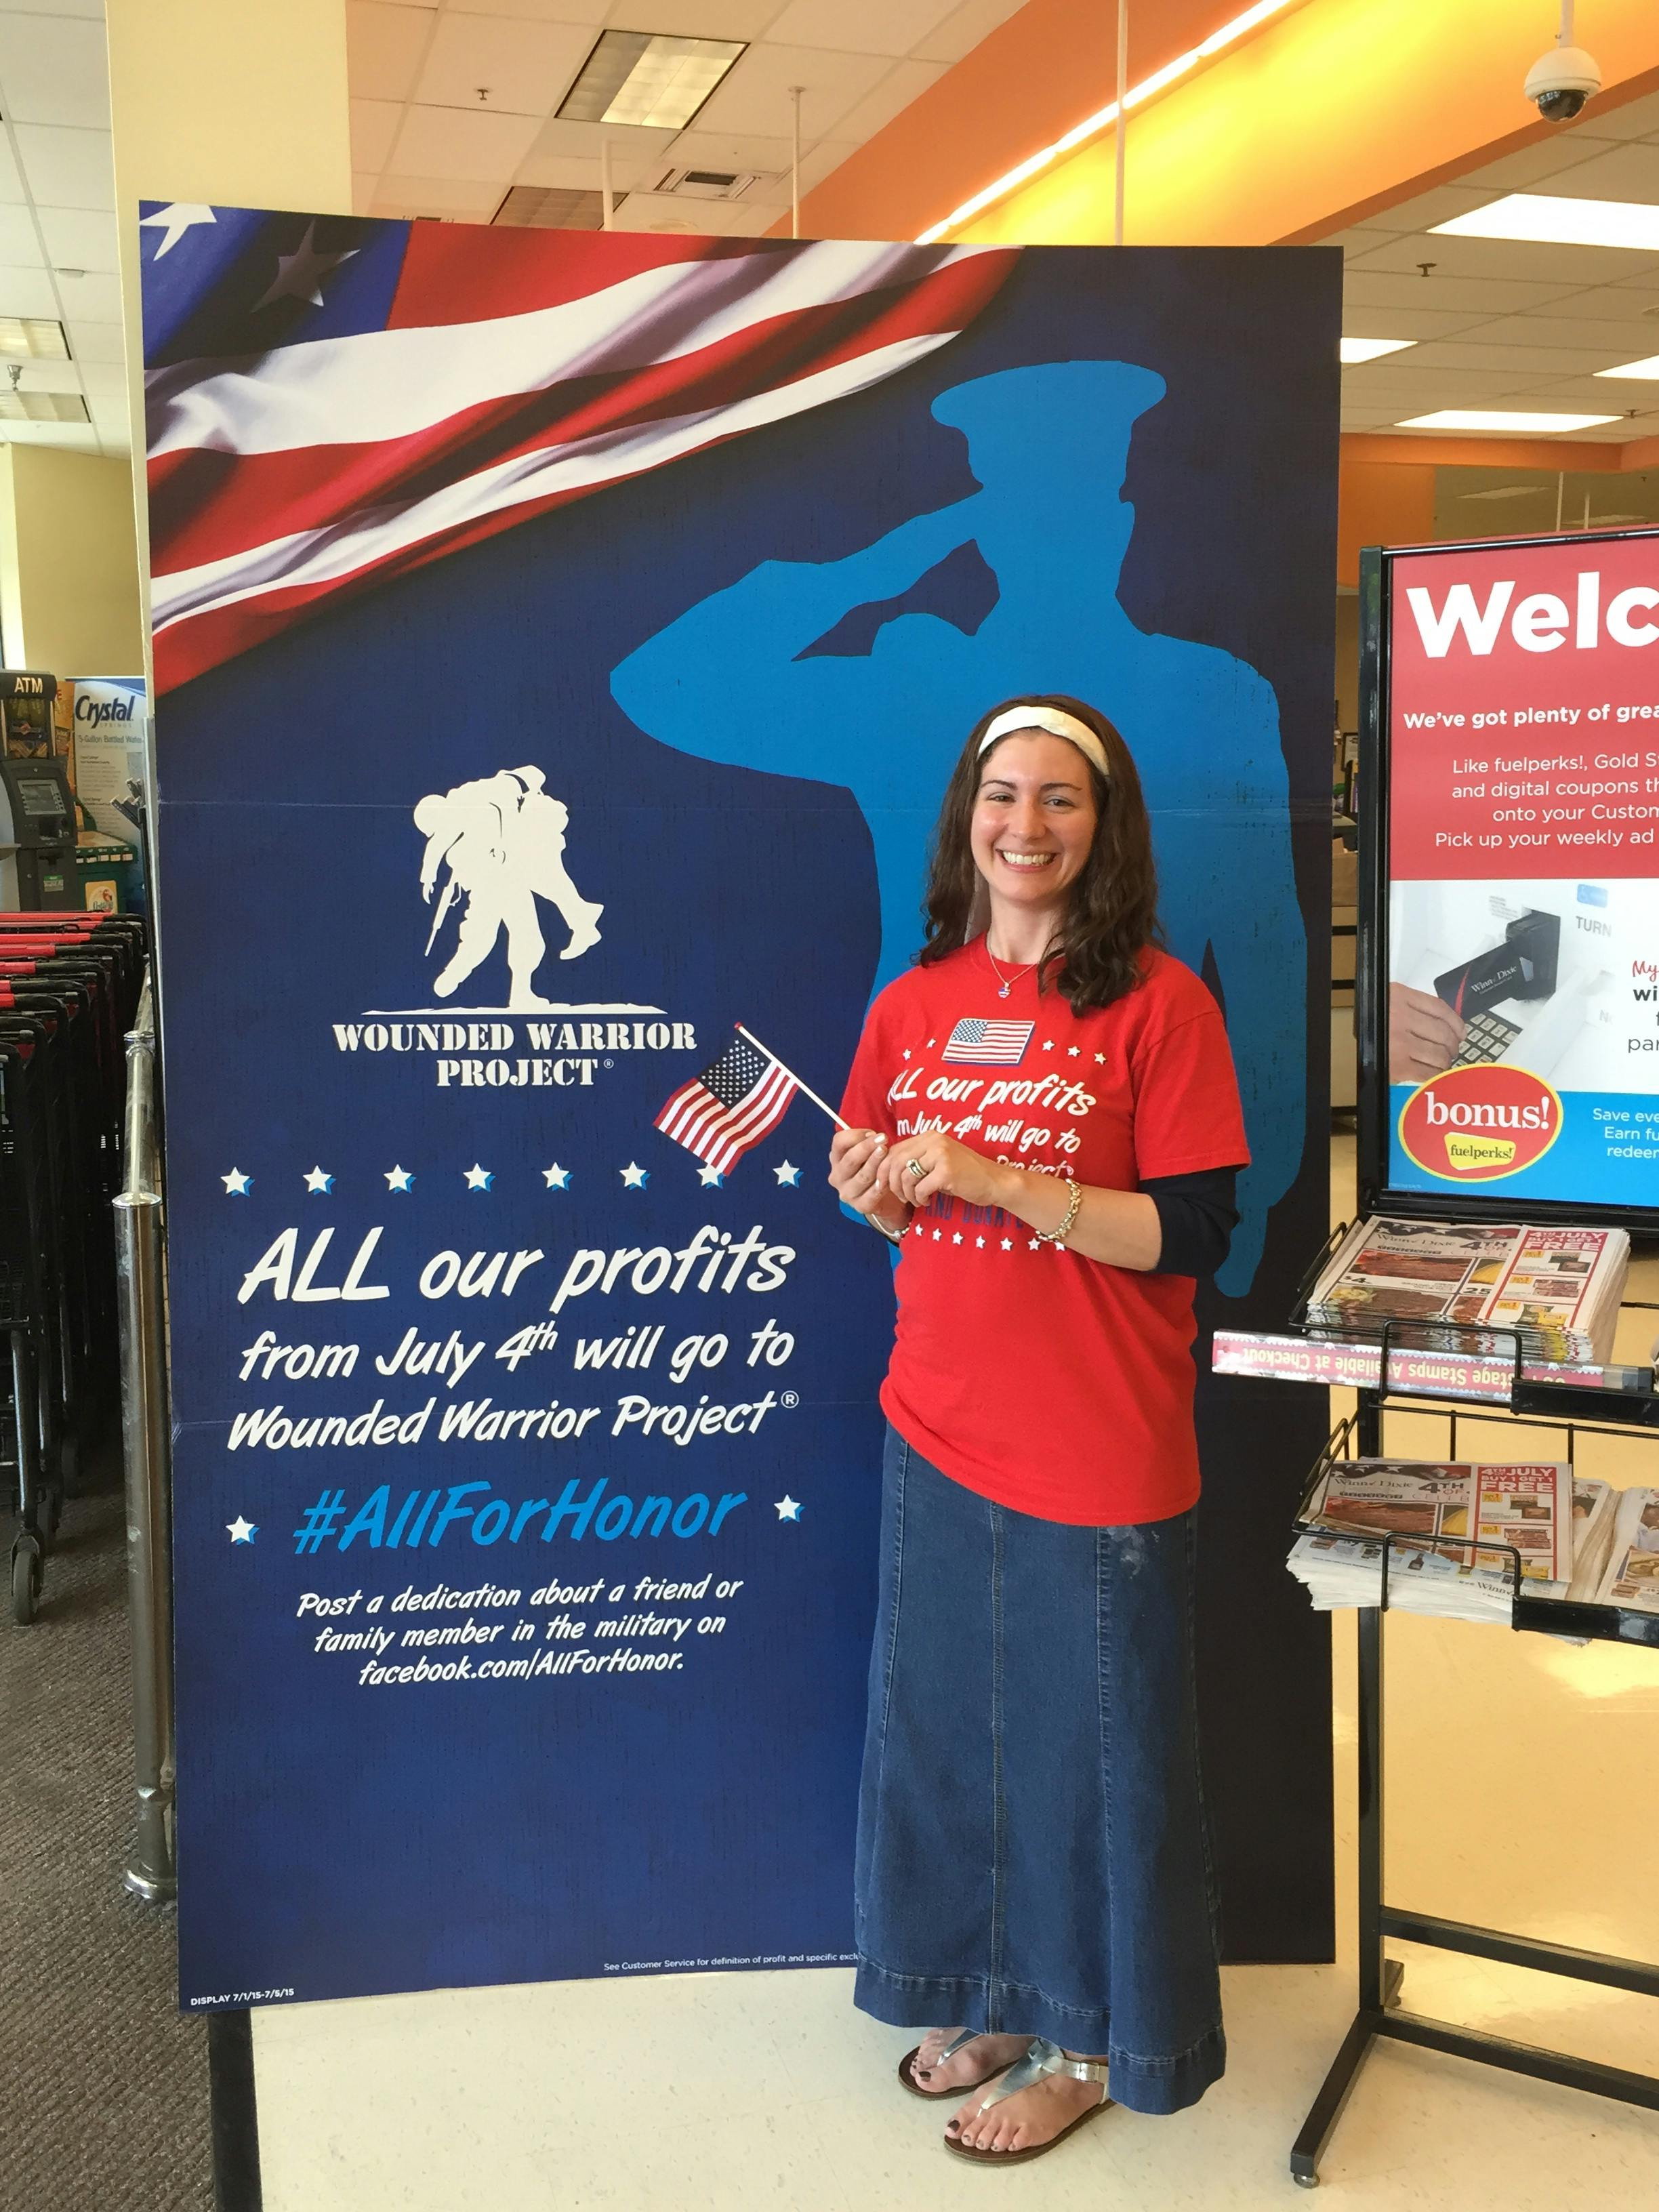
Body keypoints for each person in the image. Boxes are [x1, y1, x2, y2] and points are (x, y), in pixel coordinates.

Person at [829, 695, 1248, 2167]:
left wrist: (1009, 1183)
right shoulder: (912, 1002)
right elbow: (892, 1203)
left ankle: (1089, 2039)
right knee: (956, 1742)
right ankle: (1000, 1998)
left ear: (1104, 822)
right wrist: (879, 1191)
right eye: (1004, 796)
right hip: (934, 1428)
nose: (1028, 824)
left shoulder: (1157, 1005)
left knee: (1091, 1756)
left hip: (1102, 1442)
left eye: (1061, 799)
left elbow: (1194, 1230)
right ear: (967, 819)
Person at [414, 766, 601, 1007]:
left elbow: (495, 815)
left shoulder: (471, 799)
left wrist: (430, 877)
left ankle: (509, 989)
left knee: (517, 935)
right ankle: (487, 981)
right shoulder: (467, 814)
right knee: (501, 935)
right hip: (500, 881)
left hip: (508, 877)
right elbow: (445, 846)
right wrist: (438, 879)